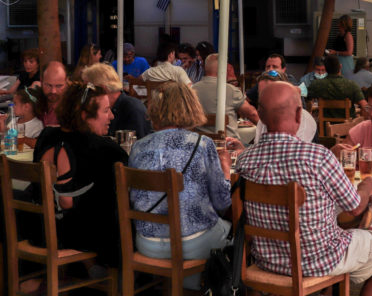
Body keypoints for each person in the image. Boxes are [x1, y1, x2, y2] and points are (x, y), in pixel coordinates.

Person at [235, 82, 372, 295]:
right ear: (299, 115)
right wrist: (366, 188)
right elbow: (354, 207)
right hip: (321, 260)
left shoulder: (245, 159)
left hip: (266, 260)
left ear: (259, 116)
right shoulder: (318, 157)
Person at [129, 81, 232, 290]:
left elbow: (135, 199)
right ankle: (197, 287)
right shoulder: (202, 144)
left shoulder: (138, 147)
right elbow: (222, 202)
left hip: (146, 243)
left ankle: (180, 286)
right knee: (234, 232)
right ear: (190, 106)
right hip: (191, 244)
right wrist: (226, 172)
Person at [33, 82, 129, 268]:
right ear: (85, 115)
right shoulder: (105, 150)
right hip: (77, 237)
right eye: (106, 111)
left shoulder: (46, 136)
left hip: (39, 229)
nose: (112, 116)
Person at [192, 54, 259, 141]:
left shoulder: (191, 90)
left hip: (200, 145)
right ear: (223, 69)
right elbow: (252, 114)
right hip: (228, 145)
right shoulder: (230, 90)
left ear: (205, 68)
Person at [82, 63, 153, 138]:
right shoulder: (113, 107)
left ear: (102, 88)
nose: (85, 94)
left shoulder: (133, 109)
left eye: (88, 89)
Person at [251, 71, 317, 144]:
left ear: (284, 93)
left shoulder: (302, 118)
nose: (264, 98)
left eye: (270, 93)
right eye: (261, 93)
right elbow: (258, 147)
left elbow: (297, 152)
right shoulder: (264, 118)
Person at [307, 55, 367, 120]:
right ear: (340, 66)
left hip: (325, 127)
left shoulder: (316, 85)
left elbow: (306, 100)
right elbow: (365, 106)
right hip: (348, 127)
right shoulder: (352, 85)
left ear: (326, 69)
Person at [40, 61, 68, 126]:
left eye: (59, 86)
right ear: (41, 81)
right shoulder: (34, 101)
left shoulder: (73, 107)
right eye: (48, 85)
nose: (53, 91)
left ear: (66, 83)